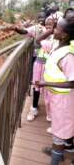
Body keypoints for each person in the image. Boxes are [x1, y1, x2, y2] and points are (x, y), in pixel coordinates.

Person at [33, 15, 74, 165]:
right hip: (57, 97)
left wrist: (45, 83)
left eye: (57, 27)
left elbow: (72, 82)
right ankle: (64, 149)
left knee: (59, 130)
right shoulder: (57, 45)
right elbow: (37, 41)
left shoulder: (68, 55)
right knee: (62, 127)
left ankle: (56, 158)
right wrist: (50, 31)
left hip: (64, 99)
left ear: (64, 34)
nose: (53, 28)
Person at [26, 15, 58, 121]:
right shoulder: (43, 34)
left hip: (51, 67)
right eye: (47, 22)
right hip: (39, 64)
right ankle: (34, 108)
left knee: (50, 90)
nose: (49, 24)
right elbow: (37, 41)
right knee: (36, 87)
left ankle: (51, 113)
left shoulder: (59, 36)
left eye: (52, 23)